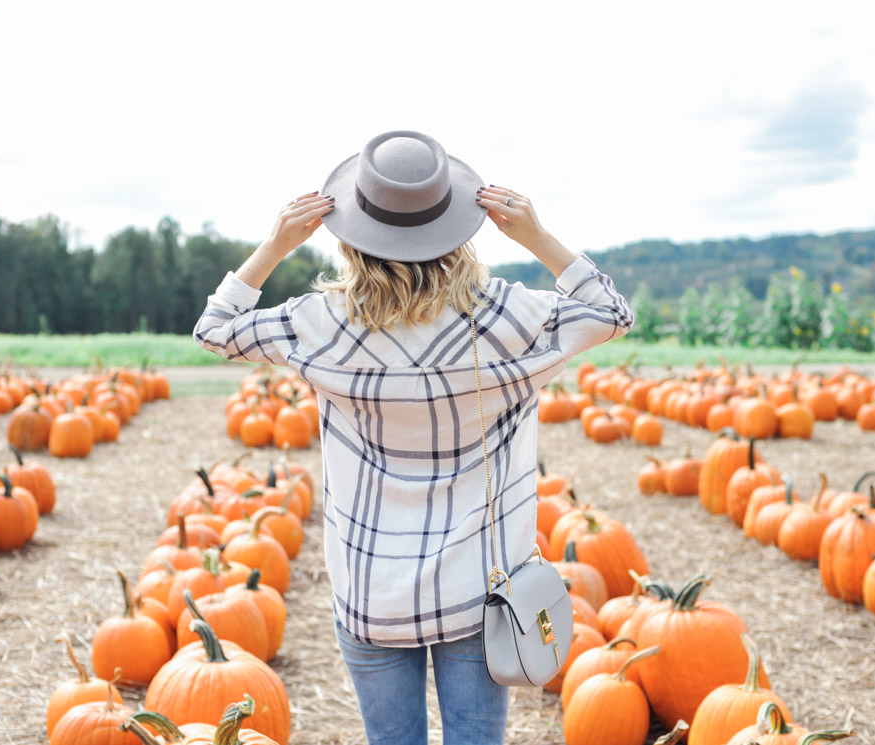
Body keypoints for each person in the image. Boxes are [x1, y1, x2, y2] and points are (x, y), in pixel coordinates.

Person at [194, 130, 633, 745]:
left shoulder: (319, 323)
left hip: (371, 587)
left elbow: (214, 330)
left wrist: (274, 246)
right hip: (481, 590)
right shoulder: (507, 318)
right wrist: (534, 235)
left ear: (351, 235)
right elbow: (613, 312)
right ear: (458, 230)